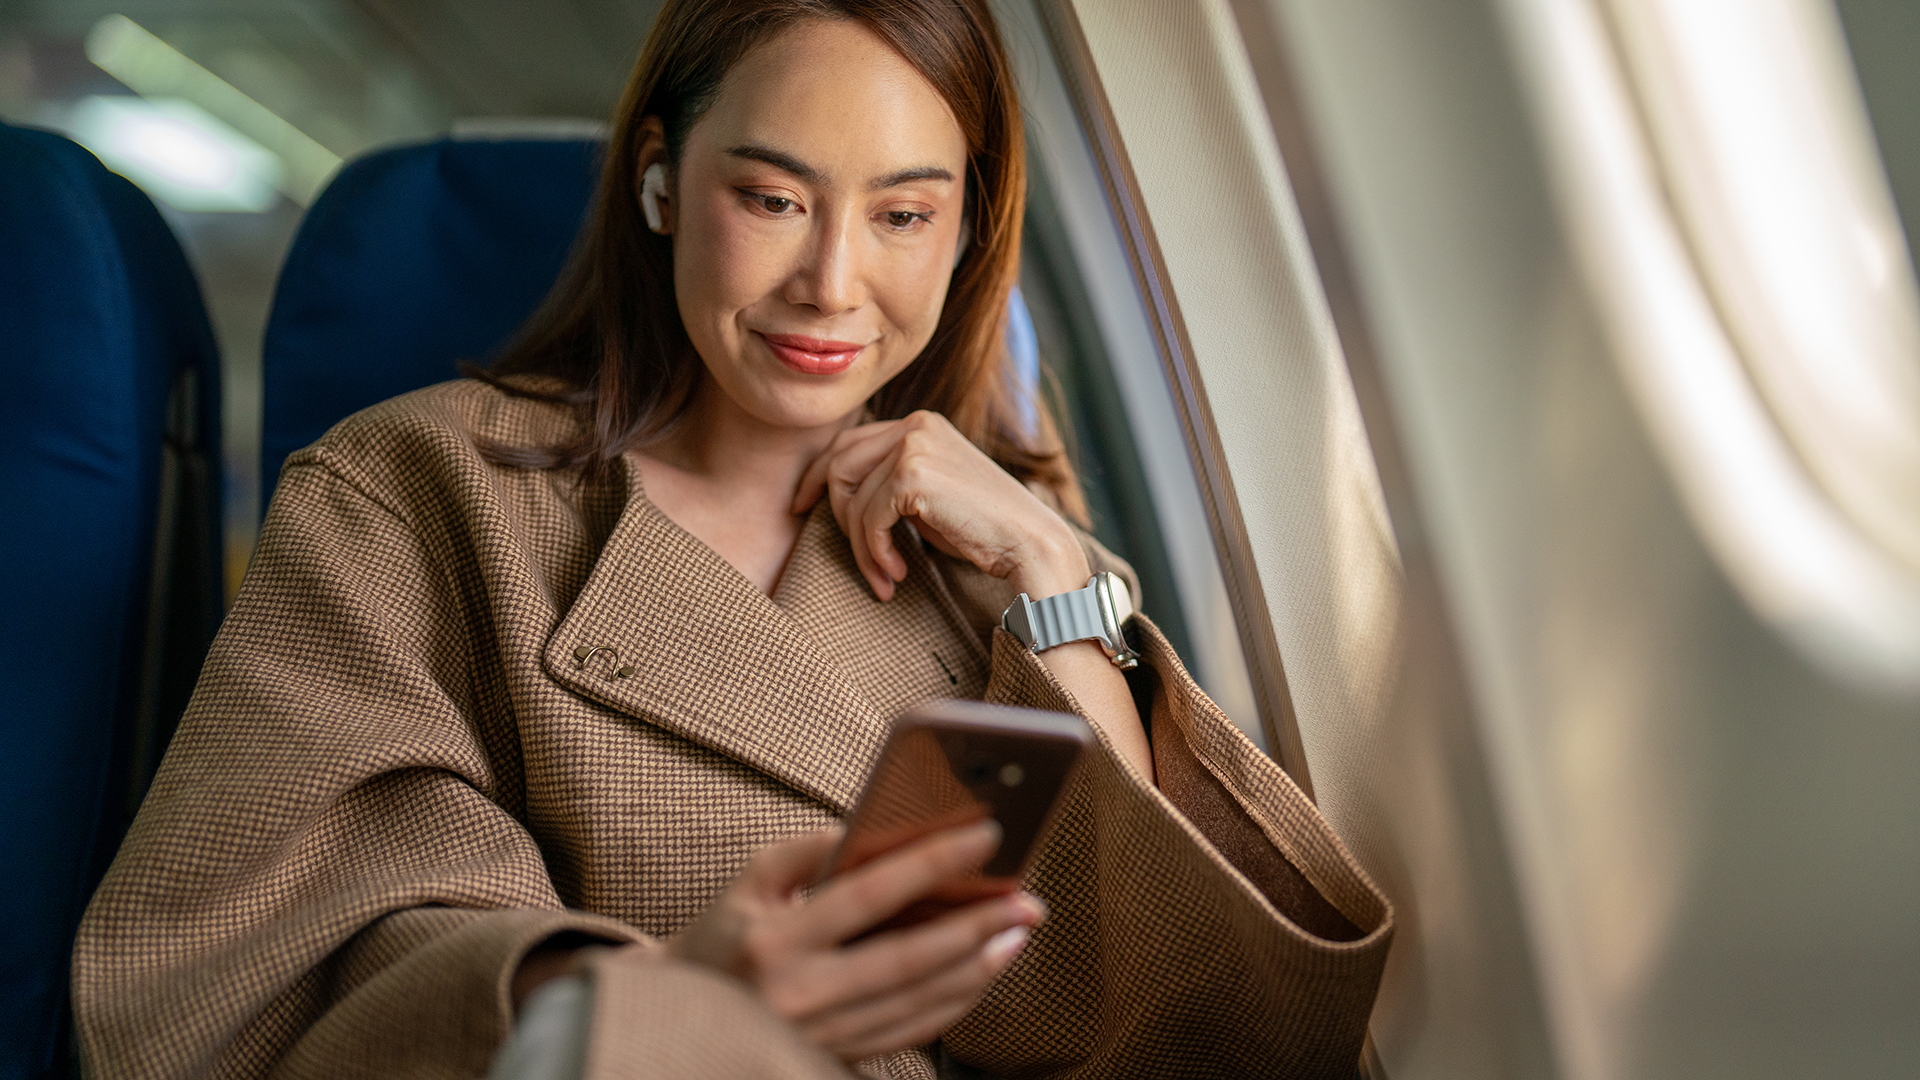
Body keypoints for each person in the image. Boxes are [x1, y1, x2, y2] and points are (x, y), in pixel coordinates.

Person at [71, 1, 1392, 1077]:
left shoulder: (1003, 554)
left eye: (903, 215)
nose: (831, 282)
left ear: (967, 227)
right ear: (657, 178)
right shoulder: (415, 494)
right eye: (771, 199)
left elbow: (1173, 1020)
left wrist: (1056, 579)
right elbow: (255, 973)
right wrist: (650, 1011)